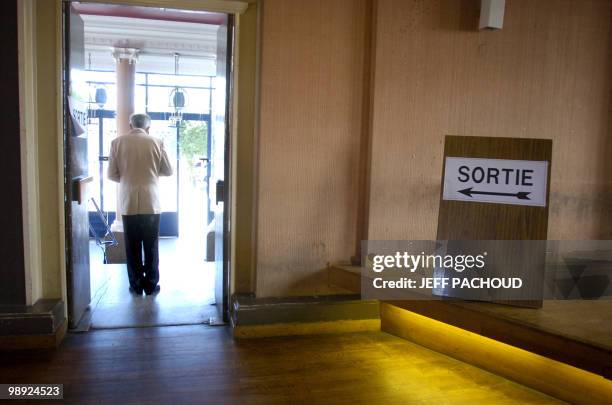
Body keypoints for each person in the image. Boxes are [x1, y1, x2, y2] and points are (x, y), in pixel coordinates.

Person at [107, 113, 173, 295]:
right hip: (151, 200)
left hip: (128, 200)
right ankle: (151, 284)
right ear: (148, 127)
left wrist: (127, 178)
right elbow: (168, 170)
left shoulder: (117, 143)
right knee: (151, 244)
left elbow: (111, 175)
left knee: (132, 245)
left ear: (130, 126)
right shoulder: (157, 142)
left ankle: (136, 285)